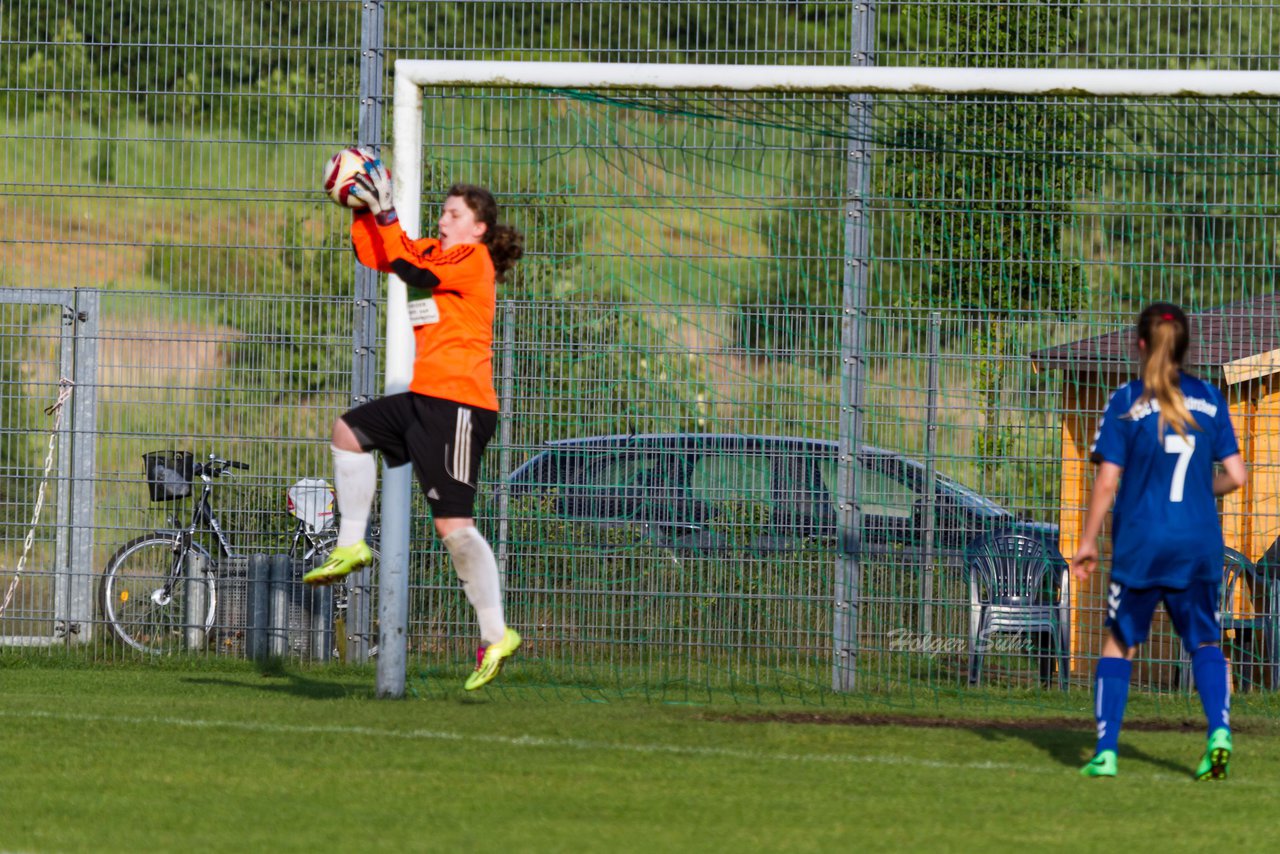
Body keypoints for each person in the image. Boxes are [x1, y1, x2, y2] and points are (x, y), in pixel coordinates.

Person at [303, 152, 525, 691]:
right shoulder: (430, 250)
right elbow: (381, 256)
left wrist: (386, 215)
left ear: (478, 227)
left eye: (454, 214)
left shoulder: (471, 261)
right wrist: (360, 207)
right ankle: (352, 542)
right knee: (349, 432)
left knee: (454, 529)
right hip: (426, 396)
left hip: (461, 407)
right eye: (443, 212)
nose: (444, 219)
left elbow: (412, 267)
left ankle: (497, 634)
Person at [1072, 302, 1247, 780]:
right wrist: (1199, 491)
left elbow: (1107, 482)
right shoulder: (1211, 399)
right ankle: (1219, 732)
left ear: (1141, 345)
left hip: (1142, 545)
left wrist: (1087, 541)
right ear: (1186, 347)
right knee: (1206, 642)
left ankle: (1106, 751)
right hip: (1196, 544)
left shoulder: (1127, 400)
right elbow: (1237, 475)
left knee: (1119, 645)